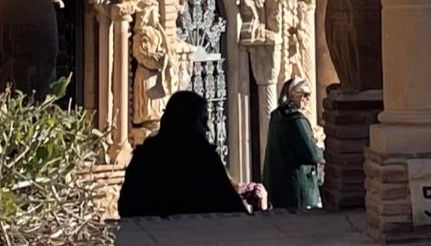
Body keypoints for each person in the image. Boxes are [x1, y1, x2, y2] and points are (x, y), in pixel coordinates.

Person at [117, 88, 251, 219]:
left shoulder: (146, 155)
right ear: (190, 122)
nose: (207, 129)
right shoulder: (203, 158)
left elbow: (126, 207)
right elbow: (232, 208)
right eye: (203, 122)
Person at [260, 74, 323, 212]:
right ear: (293, 95)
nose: (307, 99)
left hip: (279, 187)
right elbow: (313, 155)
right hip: (298, 189)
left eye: (309, 95)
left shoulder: (276, 116)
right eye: (304, 95)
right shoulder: (297, 120)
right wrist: (320, 148)